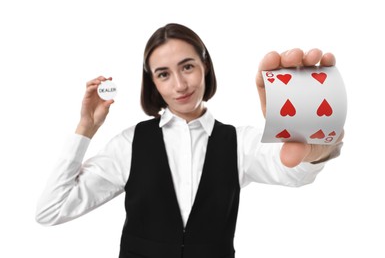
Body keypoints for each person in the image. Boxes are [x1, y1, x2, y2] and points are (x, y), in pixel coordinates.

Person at [36, 23, 343, 258]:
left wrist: (316, 150)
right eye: (164, 74)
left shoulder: (238, 143)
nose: (180, 85)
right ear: (153, 83)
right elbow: (51, 210)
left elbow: (293, 172)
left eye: (187, 67)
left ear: (204, 67)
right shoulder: (128, 144)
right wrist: (85, 128)